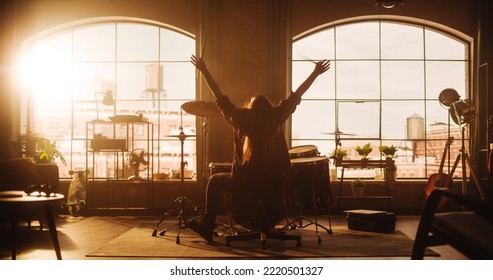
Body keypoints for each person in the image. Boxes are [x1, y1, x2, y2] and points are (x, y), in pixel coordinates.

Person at [188, 55, 330, 241]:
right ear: (269, 108)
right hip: (274, 183)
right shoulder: (276, 117)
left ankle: (208, 225)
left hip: (245, 184)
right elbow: (297, 95)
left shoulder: (241, 118)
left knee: (214, 180)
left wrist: (204, 69)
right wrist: (315, 73)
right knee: (256, 183)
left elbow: (219, 96)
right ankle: (265, 221)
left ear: (250, 107)